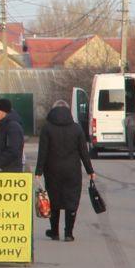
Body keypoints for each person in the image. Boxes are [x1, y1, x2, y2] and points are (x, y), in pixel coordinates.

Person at [34, 103, 95, 242]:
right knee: (71, 200)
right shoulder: (77, 129)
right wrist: (90, 170)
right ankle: (69, 233)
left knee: (54, 200)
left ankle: (54, 232)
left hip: (52, 169)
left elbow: (43, 152)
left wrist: (38, 171)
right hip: (72, 170)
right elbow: (83, 152)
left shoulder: (47, 129)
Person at [0, 97, 25, 173]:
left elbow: (13, 150)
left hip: (9, 172)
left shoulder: (13, 127)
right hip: (0, 170)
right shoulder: (0, 125)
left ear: (2, 111)